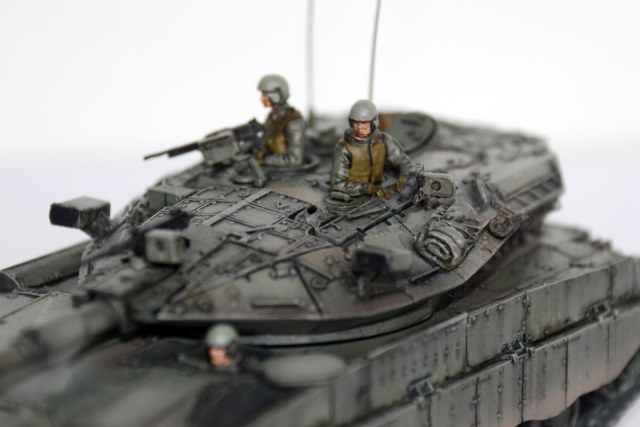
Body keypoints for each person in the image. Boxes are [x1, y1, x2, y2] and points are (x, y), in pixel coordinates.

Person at [330, 99, 411, 199]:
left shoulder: (384, 140)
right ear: (351, 123)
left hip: (382, 187)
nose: (359, 127)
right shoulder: (344, 147)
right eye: (356, 123)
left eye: (364, 123)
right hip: (356, 194)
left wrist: (404, 178)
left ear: (373, 123)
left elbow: (405, 163)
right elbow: (338, 184)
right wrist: (367, 188)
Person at [256, 74, 306, 167]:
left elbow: (295, 160)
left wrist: (264, 159)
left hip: (287, 172)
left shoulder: (294, 121)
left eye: (264, 94)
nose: (261, 98)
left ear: (276, 95)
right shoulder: (273, 117)